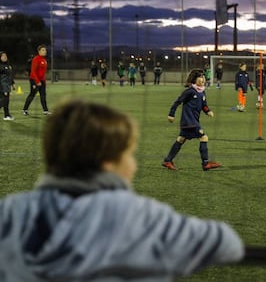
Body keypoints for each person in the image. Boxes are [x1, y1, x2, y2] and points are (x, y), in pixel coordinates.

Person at [0, 98, 244, 281]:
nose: (133, 164)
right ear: (107, 162)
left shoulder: (9, 212)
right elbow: (228, 244)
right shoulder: (141, 216)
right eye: (128, 154)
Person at [162, 70, 221, 171]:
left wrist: (208, 111)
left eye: (203, 77)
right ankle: (206, 163)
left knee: (181, 139)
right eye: (200, 77)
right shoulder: (190, 91)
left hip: (192, 121)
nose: (203, 79)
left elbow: (204, 105)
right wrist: (171, 114)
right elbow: (177, 102)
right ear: (194, 79)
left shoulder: (202, 92)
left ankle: (168, 160)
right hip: (189, 121)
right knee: (204, 138)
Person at [22, 44, 50, 116]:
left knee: (43, 95)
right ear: (39, 51)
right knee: (32, 94)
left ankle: (45, 111)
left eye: (45, 50)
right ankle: (25, 110)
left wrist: (43, 80)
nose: (45, 51)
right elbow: (33, 71)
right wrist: (37, 81)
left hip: (42, 81)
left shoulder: (44, 60)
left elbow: (42, 72)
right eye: (43, 50)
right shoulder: (36, 59)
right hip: (34, 80)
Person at [0, 51, 15, 121]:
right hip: (3, 86)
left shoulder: (8, 65)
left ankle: (7, 115)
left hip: (7, 86)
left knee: (6, 101)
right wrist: (3, 88)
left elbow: (10, 75)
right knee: (4, 101)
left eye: (5, 56)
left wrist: (13, 83)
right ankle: (6, 115)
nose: (5, 57)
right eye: (3, 56)